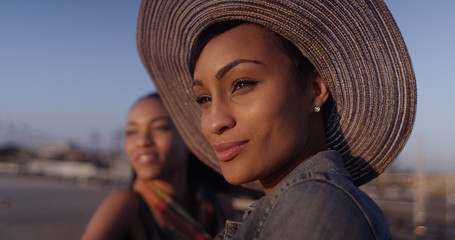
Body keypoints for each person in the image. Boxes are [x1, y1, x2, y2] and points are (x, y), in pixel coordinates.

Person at [136, 0, 417, 239]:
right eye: (204, 99)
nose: (214, 123)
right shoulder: (288, 206)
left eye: (242, 84)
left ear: (314, 90)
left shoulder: (315, 205)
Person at [81, 93, 234, 240]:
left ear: (189, 138)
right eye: (132, 131)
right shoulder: (127, 205)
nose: (142, 141)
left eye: (160, 127)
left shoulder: (217, 203)